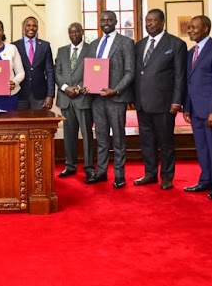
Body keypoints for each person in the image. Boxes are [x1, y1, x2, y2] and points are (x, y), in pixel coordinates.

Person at [132, 9, 187, 190]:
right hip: (142, 102)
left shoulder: (176, 44)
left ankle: (167, 176)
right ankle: (150, 173)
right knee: (146, 141)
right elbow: (137, 74)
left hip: (164, 103)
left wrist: (177, 101)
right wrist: (133, 97)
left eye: (154, 21)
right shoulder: (139, 45)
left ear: (163, 22)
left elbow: (180, 75)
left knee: (166, 142)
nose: (150, 24)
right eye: (147, 21)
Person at [182, 16, 212, 199]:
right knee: (202, 148)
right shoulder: (190, 52)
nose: (191, 30)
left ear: (206, 29)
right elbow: (189, 82)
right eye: (189, 27)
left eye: (195, 27)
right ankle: (205, 180)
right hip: (195, 110)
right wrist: (187, 107)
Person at [86, 11, 135, 188]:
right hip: (97, 99)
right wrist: (87, 86)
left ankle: (119, 175)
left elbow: (130, 71)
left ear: (115, 21)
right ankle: (101, 172)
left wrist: (116, 90)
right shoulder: (94, 44)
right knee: (101, 137)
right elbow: (90, 69)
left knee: (119, 139)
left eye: (109, 20)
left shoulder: (126, 43)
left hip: (116, 98)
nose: (106, 23)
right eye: (103, 20)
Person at [55, 23, 95, 179]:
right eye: (71, 32)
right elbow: (57, 72)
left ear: (82, 32)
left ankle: (89, 167)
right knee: (69, 134)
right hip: (66, 99)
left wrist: (77, 88)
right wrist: (65, 87)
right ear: (68, 34)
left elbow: (93, 71)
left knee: (86, 135)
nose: (74, 34)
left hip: (83, 98)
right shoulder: (62, 51)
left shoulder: (90, 49)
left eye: (77, 31)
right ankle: (70, 165)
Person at [12, 16, 55, 110]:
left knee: (40, 124)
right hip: (20, 94)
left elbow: (50, 72)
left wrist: (50, 95)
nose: (31, 28)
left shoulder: (45, 46)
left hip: (40, 95)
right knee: (21, 124)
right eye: (28, 25)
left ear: (37, 28)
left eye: (34, 26)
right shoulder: (14, 46)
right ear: (23, 27)